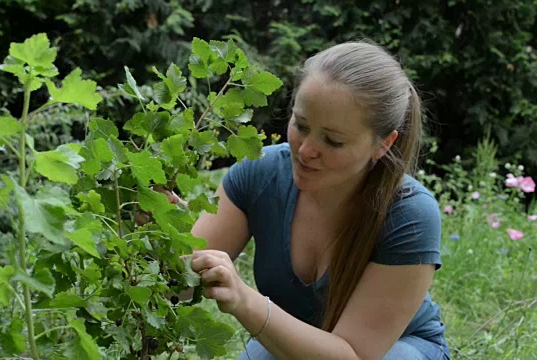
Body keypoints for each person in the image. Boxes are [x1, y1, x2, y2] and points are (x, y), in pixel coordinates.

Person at [173, 41, 450, 359]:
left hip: (392, 350)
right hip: (290, 337)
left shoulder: (410, 214)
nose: (305, 151)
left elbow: (351, 355)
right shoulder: (258, 174)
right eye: (301, 126)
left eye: (333, 141)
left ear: (383, 145)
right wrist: (159, 234)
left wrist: (243, 300)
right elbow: (181, 284)